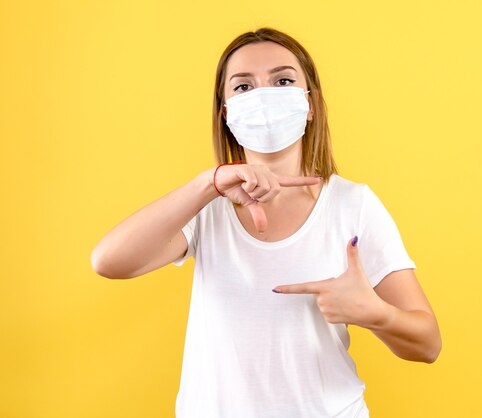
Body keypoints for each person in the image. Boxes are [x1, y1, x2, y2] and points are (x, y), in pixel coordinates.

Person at [91, 27, 442, 418]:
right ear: (225, 112)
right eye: (243, 87)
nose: (262, 95)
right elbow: (108, 262)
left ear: (310, 104)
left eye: (283, 80)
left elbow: (427, 345)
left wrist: (375, 313)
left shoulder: (352, 204)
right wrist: (208, 184)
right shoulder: (208, 206)